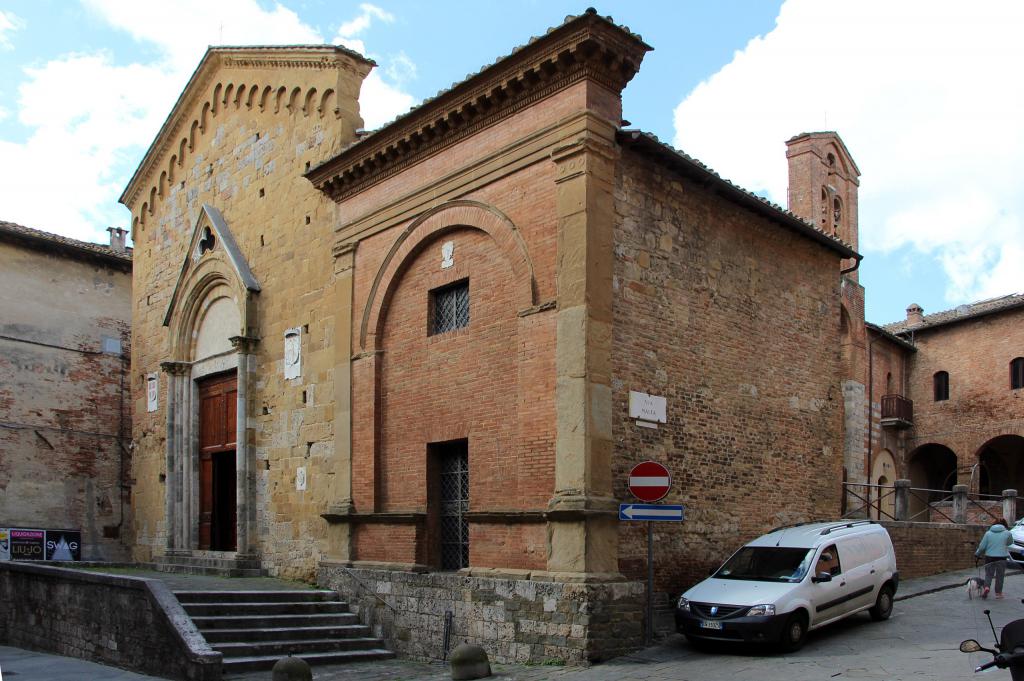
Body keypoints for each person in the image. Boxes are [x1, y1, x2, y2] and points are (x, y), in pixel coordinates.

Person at [975, 520, 1014, 599]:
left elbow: (982, 547)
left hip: (989, 557)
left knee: (989, 574)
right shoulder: (1007, 533)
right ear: (1005, 525)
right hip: (1002, 557)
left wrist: (977, 554)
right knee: (1000, 575)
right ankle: (998, 593)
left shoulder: (988, 533)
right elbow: (1010, 543)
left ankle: (986, 587)